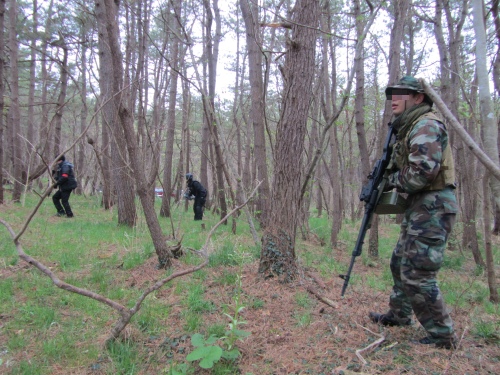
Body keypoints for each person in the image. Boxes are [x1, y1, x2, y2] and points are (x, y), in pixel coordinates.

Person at [369, 76, 458, 349]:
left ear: (418, 98)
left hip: (433, 206)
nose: (393, 99)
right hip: (421, 207)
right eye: (390, 94)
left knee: (418, 274)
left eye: (400, 94)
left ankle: (442, 335)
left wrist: (391, 181)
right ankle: (399, 315)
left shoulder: (426, 124)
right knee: (399, 262)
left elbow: (421, 174)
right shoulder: (410, 126)